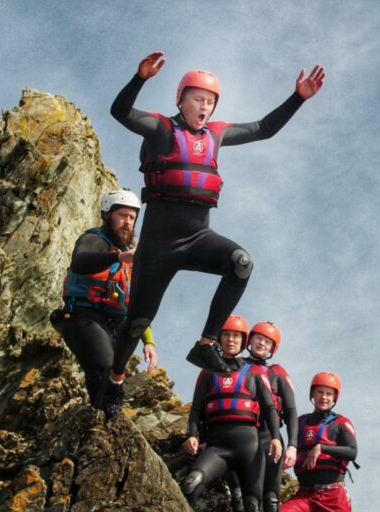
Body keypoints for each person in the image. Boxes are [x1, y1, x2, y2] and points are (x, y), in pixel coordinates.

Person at [105, 50, 325, 414]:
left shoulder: (217, 135)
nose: (204, 106)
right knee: (138, 322)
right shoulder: (161, 128)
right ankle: (113, 380)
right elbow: (121, 112)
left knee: (241, 263)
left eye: (210, 101)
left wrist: (298, 98)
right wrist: (139, 78)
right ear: (181, 99)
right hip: (159, 246)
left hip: (197, 238)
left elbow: (263, 129)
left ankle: (206, 343)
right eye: (198, 98)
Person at [52, 189, 157, 417]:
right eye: (122, 216)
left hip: (114, 324)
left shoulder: (129, 256)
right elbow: (80, 262)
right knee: (104, 364)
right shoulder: (95, 239)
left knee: (115, 374)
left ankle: (104, 418)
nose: (127, 222)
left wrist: (148, 341)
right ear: (108, 215)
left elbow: (134, 302)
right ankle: (101, 420)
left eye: (132, 218)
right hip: (82, 316)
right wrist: (117, 257)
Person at [182, 315, 283, 512]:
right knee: (191, 484)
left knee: (252, 505)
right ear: (219, 339)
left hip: (250, 448)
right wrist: (192, 436)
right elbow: (196, 409)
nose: (231, 340)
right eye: (226, 335)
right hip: (217, 447)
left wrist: (276, 438)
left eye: (236, 336)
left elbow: (270, 408)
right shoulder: (207, 374)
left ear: (243, 341)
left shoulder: (254, 374)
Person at [227, 321, 298, 512]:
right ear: (250, 339)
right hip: (239, 435)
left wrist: (292, 446)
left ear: (272, 349)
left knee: (271, 498)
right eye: (258, 338)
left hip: (269, 437)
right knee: (241, 497)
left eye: (267, 342)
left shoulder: (277, 373)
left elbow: (291, 410)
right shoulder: (233, 367)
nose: (261, 343)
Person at [281, 372, 359, 512]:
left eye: (329, 394)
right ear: (313, 394)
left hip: (333, 497)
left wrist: (321, 447)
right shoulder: (299, 423)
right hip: (304, 496)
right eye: (320, 392)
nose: (324, 397)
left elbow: (352, 452)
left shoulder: (341, 423)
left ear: (334, 397)